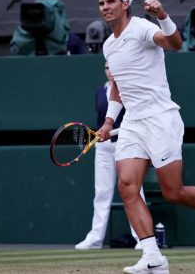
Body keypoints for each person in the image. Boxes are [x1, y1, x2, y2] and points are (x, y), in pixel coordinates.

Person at [97, 0, 195, 274]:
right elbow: (118, 88)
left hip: (161, 118)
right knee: (127, 186)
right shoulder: (108, 45)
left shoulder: (141, 28)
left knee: (173, 192)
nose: (105, 7)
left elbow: (174, 44)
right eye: (101, 3)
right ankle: (152, 257)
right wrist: (110, 121)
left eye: (111, 1)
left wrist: (162, 15)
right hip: (133, 124)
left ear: (126, 5)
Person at [75, 61, 146, 250]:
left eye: (113, 67)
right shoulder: (100, 91)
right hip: (104, 148)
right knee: (102, 192)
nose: (110, 71)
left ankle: (142, 237)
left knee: (135, 190)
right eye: (106, 68)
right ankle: (95, 238)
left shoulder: (129, 89)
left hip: (126, 144)